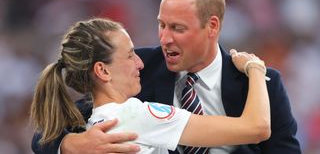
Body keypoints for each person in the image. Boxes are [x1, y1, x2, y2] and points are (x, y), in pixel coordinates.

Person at [32, 0, 301, 154]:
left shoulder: (265, 88)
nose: (164, 38)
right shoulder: (138, 84)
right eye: (161, 25)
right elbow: (48, 133)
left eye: (177, 28)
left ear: (212, 26)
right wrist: (70, 144)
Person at [31, 18, 270, 154]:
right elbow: (257, 127)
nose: (140, 63)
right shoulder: (135, 116)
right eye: (130, 55)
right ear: (102, 70)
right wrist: (255, 69)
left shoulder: (93, 130)